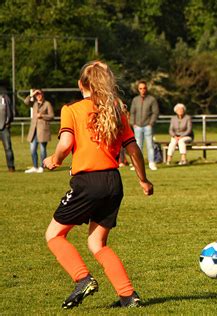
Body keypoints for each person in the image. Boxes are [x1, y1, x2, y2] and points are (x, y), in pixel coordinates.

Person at [43, 61, 153, 309]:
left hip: (87, 182)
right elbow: (134, 149)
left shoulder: (71, 109)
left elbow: (65, 144)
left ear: (81, 84)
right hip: (114, 183)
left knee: (54, 235)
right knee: (97, 243)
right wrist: (143, 180)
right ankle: (128, 296)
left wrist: (54, 159)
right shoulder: (115, 108)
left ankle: (82, 279)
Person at [129, 80, 159, 170]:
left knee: (150, 145)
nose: (142, 90)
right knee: (138, 146)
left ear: (147, 88)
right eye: (140, 88)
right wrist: (133, 123)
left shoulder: (152, 99)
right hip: (137, 126)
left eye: (144, 88)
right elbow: (132, 112)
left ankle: (151, 163)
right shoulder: (135, 100)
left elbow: (155, 112)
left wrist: (151, 123)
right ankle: (137, 165)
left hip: (148, 126)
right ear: (138, 89)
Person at [24, 89, 54, 173]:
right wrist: (32, 94)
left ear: (42, 95)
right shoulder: (34, 103)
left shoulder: (47, 104)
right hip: (33, 131)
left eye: (39, 94)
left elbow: (52, 116)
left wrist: (42, 115)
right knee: (32, 149)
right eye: (37, 95)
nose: (38, 96)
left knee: (42, 150)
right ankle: (35, 166)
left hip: (43, 131)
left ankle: (42, 167)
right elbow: (26, 102)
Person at [0, 87, 15, 172]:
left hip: (4, 127)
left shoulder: (5, 98)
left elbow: (10, 112)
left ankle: (11, 167)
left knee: (8, 148)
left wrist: (8, 122)